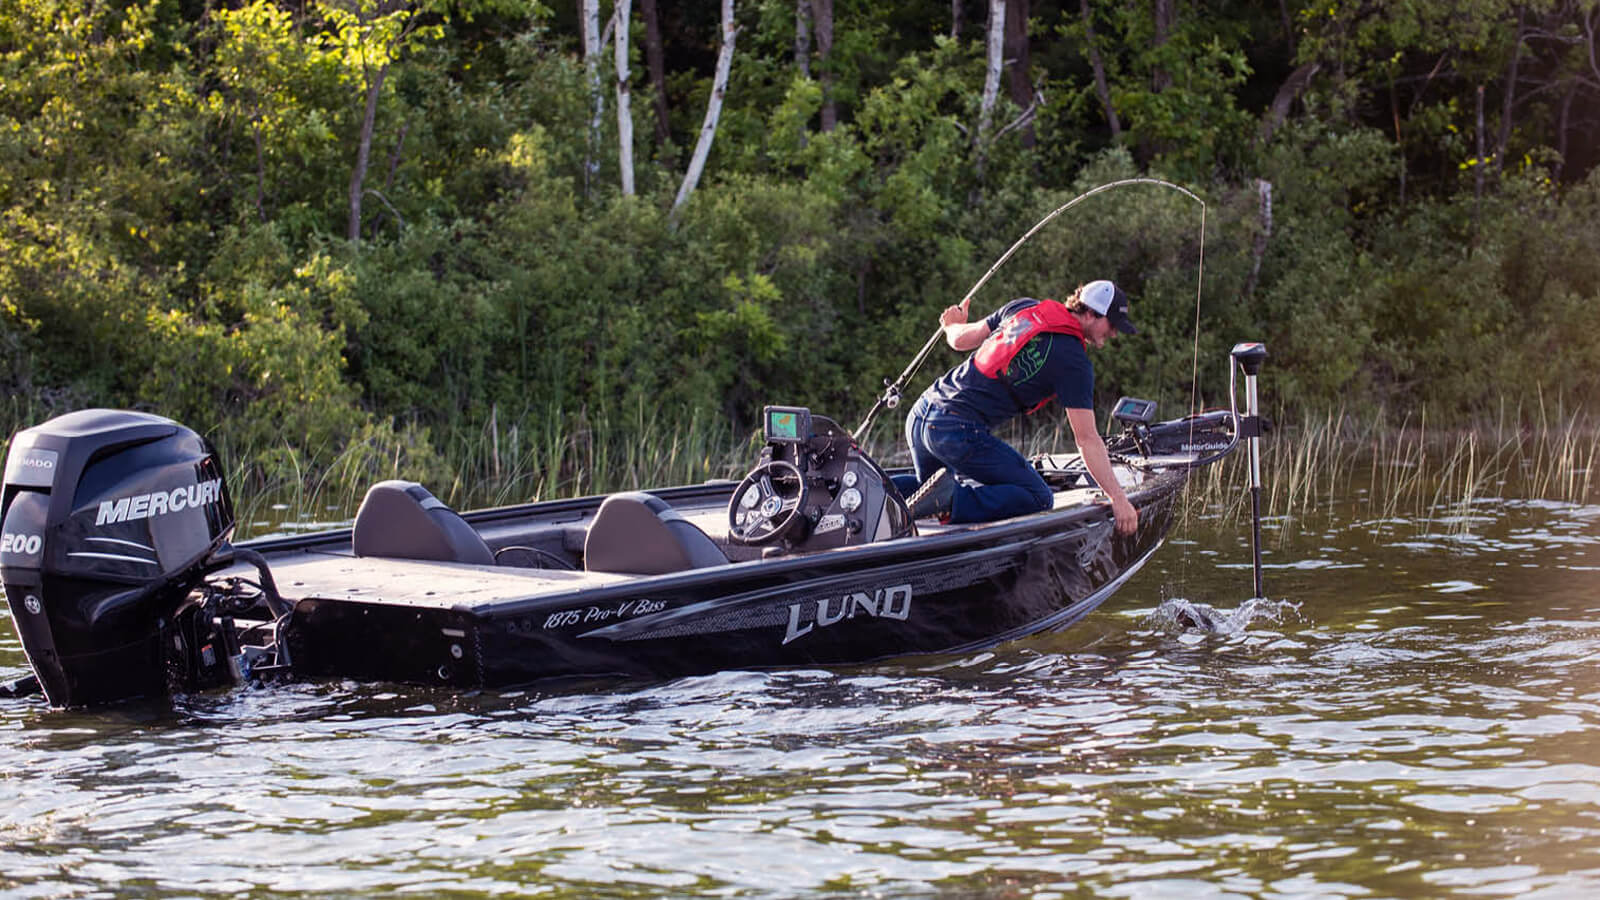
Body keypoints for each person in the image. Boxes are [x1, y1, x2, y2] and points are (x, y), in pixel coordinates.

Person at [898, 280, 1139, 534]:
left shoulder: (1023, 307)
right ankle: (950, 502)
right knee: (1037, 496)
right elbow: (1087, 439)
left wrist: (951, 325)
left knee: (924, 491)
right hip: (953, 431)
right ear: (1090, 313)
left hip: (921, 414)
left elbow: (959, 340)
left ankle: (874, 492)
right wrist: (1118, 499)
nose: (1114, 333)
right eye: (1112, 325)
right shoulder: (1074, 362)